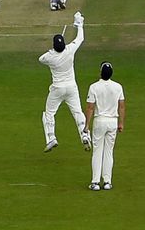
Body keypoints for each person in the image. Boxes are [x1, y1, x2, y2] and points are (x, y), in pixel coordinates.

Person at [40, 12, 90, 151]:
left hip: (57, 88)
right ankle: (85, 135)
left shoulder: (49, 57)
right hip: (71, 87)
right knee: (77, 112)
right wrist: (79, 23)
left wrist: (52, 52)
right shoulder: (69, 49)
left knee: (49, 113)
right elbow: (80, 38)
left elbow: (41, 59)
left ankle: (51, 138)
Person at [85, 62, 125, 190]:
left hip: (100, 121)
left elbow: (90, 107)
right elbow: (122, 106)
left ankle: (95, 182)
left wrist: (86, 125)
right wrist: (121, 123)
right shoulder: (118, 87)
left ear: (100, 73)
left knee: (97, 152)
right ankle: (107, 181)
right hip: (112, 121)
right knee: (109, 152)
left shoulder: (94, 87)